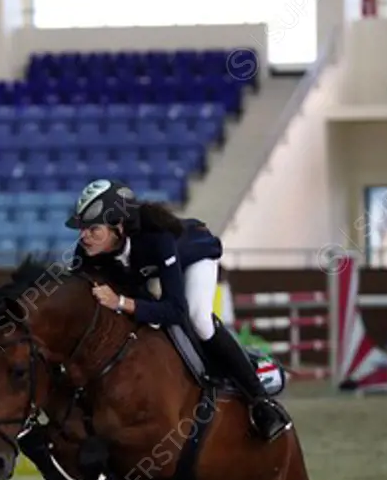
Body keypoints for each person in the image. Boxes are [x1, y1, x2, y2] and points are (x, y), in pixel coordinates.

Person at [65, 179, 292, 442]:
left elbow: (174, 309)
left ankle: (260, 400)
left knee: (198, 319)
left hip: (193, 255)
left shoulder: (156, 238)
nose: (84, 237)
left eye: (93, 229)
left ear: (118, 226)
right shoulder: (87, 251)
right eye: (82, 229)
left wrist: (120, 303)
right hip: (143, 272)